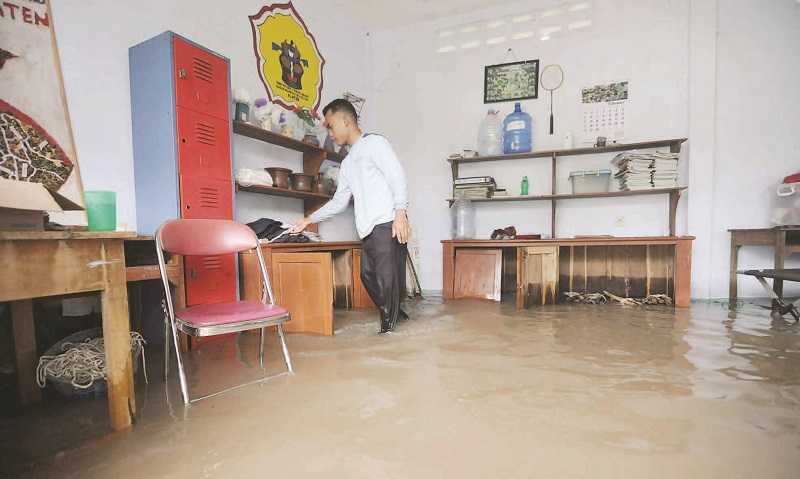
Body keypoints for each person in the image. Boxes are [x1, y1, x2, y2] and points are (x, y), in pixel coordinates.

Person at [290, 99, 411, 334]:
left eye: (330, 125)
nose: (329, 131)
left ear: (346, 120)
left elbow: (397, 175)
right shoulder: (346, 164)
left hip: (387, 223)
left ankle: (389, 331)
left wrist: (400, 213)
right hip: (368, 229)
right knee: (367, 275)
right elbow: (338, 202)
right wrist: (309, 218)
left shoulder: (375, 143)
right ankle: (397, 318)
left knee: (387, 281)